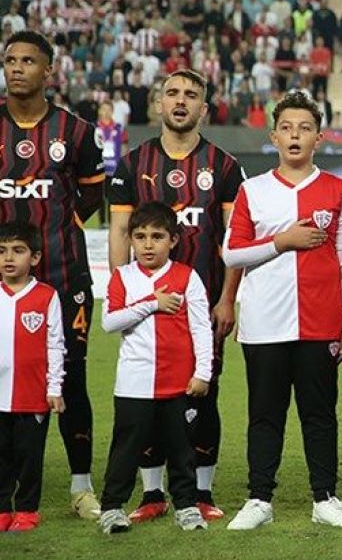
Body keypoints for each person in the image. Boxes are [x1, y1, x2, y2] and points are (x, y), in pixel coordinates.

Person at [107, 69, 245, 522]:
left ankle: (201, 491)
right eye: (172, 93)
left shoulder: (223, 167)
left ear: (204, 108)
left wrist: (227, 299)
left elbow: (233, 241)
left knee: (202, 392)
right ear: (159, 104)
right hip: (145, 311)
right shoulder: (133, 164)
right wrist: (121, 295)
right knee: (146, 396)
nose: (180, 101)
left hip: (201, 308)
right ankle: (152, 493)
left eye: (191, 95)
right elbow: (120, 233)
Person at [223, 90, 342, 531]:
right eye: (287, 128)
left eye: (304, 128)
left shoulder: (339, 190)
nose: (295, 135)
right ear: (274, 137)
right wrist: (282, 241)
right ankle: (259, 498)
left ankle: (325, 498)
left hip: (321, 324)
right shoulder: (253, 190)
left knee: (319, 415)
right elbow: (231, 254)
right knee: (265, 414)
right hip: (264, 324)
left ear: (319, 137)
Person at [0, 30, 104, 519]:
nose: (17, 68)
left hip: (64, 279)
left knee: (72, 380)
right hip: (2, 284)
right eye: (10, 60)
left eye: (28, 61)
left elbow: (91, 194)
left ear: (48, 71)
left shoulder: (76, 132)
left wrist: (60, 230)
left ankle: (81, 487)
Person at [97, 202, 213, 534]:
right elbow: (109, 322)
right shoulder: (123, 277)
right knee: (126, 448)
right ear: (130, 240)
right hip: (134, 382)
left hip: (178, 383)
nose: (148, 244)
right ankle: (112, 507)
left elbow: (201, 328)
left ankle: (187, 506)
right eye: (140, 236)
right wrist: (152, 303)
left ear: (173, 240)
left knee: (181, 449)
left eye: (157, 236)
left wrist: (202, 372)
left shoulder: (187, 276)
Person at [0, 220, 66, 533]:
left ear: (35, 258)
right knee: (1, 457)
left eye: (18, 251)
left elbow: (55, 344)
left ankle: (27, 509)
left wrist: (55, 388)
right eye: (1, 251)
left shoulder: (46, 296)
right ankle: (2, 509)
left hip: (32, 394)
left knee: (29, 457)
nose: (8, 258)